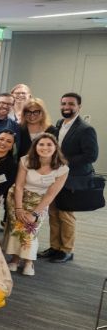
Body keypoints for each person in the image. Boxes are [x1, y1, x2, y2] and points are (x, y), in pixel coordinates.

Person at [44, 92, 98, 263]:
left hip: (71, 178)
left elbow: (91, 155)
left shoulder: (86, 129)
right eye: (64, 104)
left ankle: (67, 250)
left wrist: (64, 162)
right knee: (53, 211)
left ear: (79, 107)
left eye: (71, 104)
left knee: (65, 214)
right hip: (54, 177)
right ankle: (55, 247)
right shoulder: (60, 124)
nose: (66, 107)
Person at [5, 134, 68, 276]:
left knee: (30, 230)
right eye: (41, 144)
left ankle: (28, 261)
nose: (45, 148)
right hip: (18, 197)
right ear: (35, 147)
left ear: (55, 147)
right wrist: (19, 208)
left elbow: (51, 194)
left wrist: (35, 213)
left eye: (49, 144)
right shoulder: (26, 160)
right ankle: (15, 259)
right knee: (16, 228)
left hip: (40, 202)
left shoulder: (62, 169)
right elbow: (19, 186)